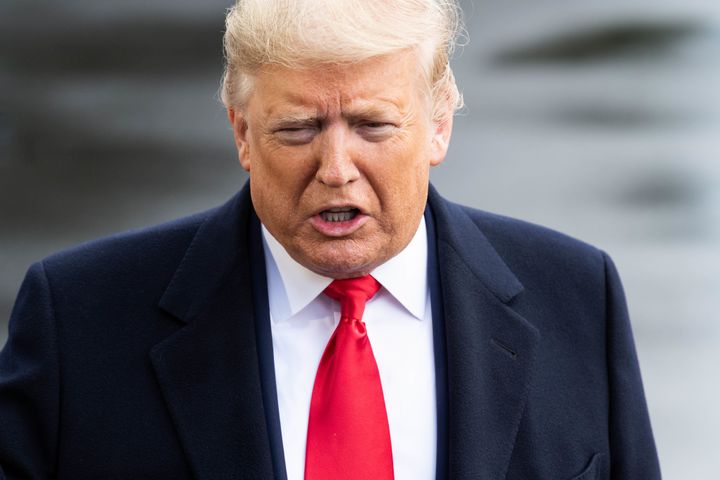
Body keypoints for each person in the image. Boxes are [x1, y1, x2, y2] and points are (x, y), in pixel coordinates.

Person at [0, 0, 661, 479]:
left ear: (438, 126)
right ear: (240, 132)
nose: (336, 168)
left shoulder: (577, 294)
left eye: (372, 125)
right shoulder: (78, 319)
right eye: (297, 129)